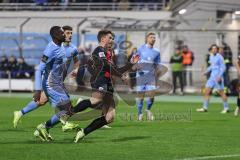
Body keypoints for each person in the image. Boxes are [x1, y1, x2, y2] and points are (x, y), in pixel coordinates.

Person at [72, 29, 139, 143]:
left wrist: (130, 64)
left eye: (113, 38)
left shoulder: (110, 53)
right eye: (110, 38)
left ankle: (83, 132)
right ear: (103, 39)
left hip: (108, 84)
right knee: (95, 100)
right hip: (100, 82)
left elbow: (115, 69)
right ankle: (69, 112)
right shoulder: (99, 51)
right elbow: (105, 68)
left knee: (110, 117)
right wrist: (120, 76)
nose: (112, 40)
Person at [13, 26, 79, 130]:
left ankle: (44, 128)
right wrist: (38, 89)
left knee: (66, 107)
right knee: (65, 107)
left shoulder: (66, 47)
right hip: (51, 83)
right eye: (64, 33)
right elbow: (39, 69)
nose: (67, 35)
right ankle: (63, 125)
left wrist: (74, 71)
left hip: (58, 81)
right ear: (56, 36)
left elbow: (74, 61)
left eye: (69, 33)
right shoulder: (50, 50)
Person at [135, 32, 161, 121]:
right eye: (151, 37)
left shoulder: (157, 51)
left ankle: (148, 109)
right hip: (141, 75)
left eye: (154, 37)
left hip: (151, 76)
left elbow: (157, 64)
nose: (153, 39)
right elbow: (134, 60)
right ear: (147, 39)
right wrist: (138, 67)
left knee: (152, 95)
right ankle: (139, 113)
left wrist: (157, 75)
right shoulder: (140, 49)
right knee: (141, 96)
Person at [196, 44, 229, 114]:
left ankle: (226, 108)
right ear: (211, 50)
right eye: (213, 49)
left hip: (218, 77)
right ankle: (205, 108)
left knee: (221, 93)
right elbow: (212, 66)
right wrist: (206, 71)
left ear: (217, 50)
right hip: (212, 77)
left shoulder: (220, 57)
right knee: (206, 91)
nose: (214, 50)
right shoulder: (211, 56)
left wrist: (219, 76)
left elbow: (224, 68)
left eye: (215, 49)